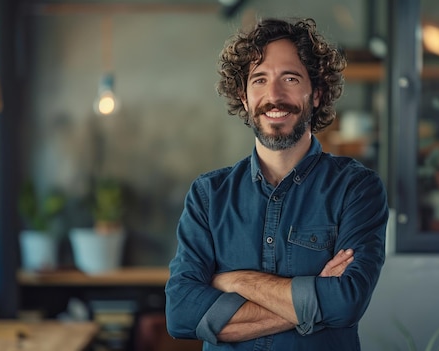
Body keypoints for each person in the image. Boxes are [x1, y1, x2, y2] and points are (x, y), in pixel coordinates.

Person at [165, 17, 388, 350]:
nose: (274, 95)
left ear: (317, 94)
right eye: (259, 80)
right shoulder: (208, 196)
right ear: (243, 98)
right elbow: (181, 314)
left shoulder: (356, 190)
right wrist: (314, 302)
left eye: (290, 78)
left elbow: (346, 303)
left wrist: (236, 281)